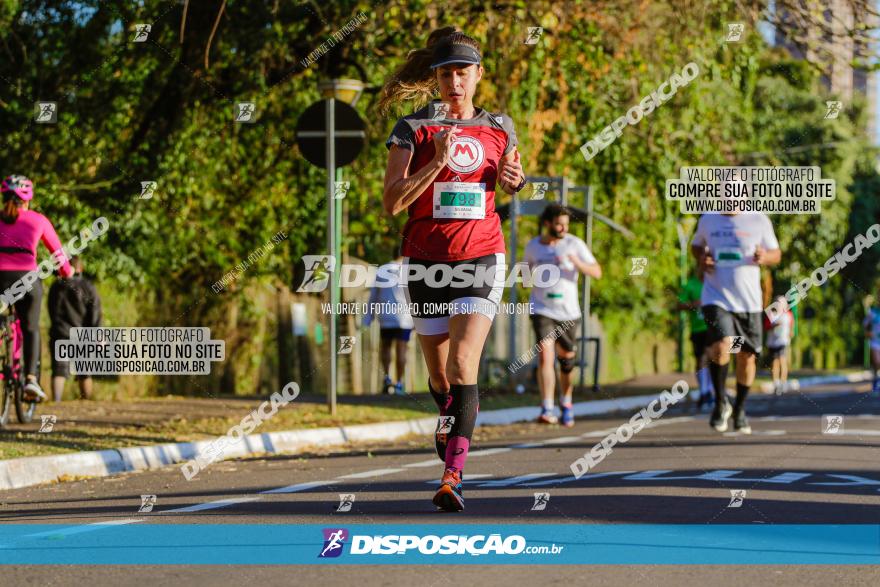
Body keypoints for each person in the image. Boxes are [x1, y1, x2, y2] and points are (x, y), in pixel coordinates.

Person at [380, 27, 525, 511]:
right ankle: (449, 411)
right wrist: (435, 163)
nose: (454, 82)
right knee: (441, 376)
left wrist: (514, 180)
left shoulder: (500, 126)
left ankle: (452, 476)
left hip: (482, 255)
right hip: (425, 261)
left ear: (479, 75)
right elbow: (391, 203)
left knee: (465, 363)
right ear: (435, 77)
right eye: (446, 73)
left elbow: (510, 177)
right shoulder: (412, 129)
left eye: (463, 73)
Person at [691, 209, 781, 434]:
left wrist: (764, 257)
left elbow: (776, 254)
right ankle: (721, 401)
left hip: (748, 303)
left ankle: (739, 408)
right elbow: (695, 246)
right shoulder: (708, 220)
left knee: (746, 357)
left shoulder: (759, 219)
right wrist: (702, 257)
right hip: (716, 297)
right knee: (723, 344)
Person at [524, 203, 601, 427]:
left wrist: (576, 263)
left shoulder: (574, 244)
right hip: (541, 309)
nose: (563, 228)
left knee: (567, 360)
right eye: (558, 224)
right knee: (545, 357)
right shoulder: (533, 247)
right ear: (547, 224)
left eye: (566, 224)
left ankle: (566, 402)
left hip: (568, 311)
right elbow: (525, 277)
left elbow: (597, 271)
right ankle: (547, 407)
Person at [0, 175, 73, 402]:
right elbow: (59, 256)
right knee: (31, 328)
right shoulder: (38, 220)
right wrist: (67, 274)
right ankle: (31, 379)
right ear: (28, 200)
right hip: (26, 281)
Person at [48, 256, 102, 401]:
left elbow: (51, 310)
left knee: (59, 370)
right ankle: (85, 402)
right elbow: (95, 311)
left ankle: (56, 402)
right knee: (84, 371)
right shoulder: (88, 286)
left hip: (60, 332)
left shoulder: (56, 286)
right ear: (81, 268)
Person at [362, 256, 414, 395]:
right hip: (404, 318)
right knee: (401, 349)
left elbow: (374, 295)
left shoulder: (382, 270)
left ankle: (386, 379)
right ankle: (399, 384)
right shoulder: (409, 271)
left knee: (385, 346)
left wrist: (368, 318)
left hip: (386, 316)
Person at [677, 267, 714, 411]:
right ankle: (704, 391)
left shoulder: (714, 283)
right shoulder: (691, 285)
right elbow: (679, 304)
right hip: (697, 329)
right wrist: (693, 305)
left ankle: (710, 391)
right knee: (700, 360)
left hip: (712, 328)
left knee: (710, 358)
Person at [764, 294, 793, 395]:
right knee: (774, 362)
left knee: (782, 361)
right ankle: (776, 383)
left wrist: (790, 334)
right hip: (772, 342)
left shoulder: (788, 314)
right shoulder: (771, 314)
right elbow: (766, 327)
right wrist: (774, 325)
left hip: (783, 342)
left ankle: (783, 383)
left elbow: (791, 327)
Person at [864, 290, 880, 393]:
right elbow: (865, 325)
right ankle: (875, 381)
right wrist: (867, 333)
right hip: (875, 342)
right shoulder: (873, 312)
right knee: (877, 362)